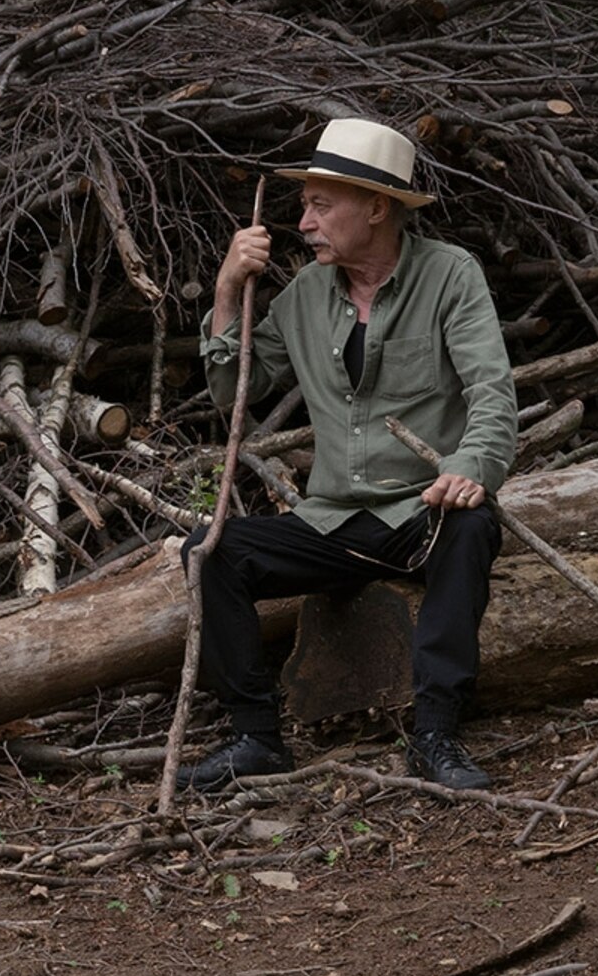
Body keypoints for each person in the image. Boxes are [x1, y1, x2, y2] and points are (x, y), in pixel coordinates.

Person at [178, 116, 517, 792]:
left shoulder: (450, 275)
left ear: (377, 207)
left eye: (320, 204)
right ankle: (256, 738)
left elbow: (492, 392)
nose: (303, 220)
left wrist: (467, 469)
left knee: (473, 526)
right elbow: (230, 387)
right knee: (211, 553)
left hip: (423, 512)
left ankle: (436, 735)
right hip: (334, 521)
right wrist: (224, 290)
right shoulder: (306, 292)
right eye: (305, 203)